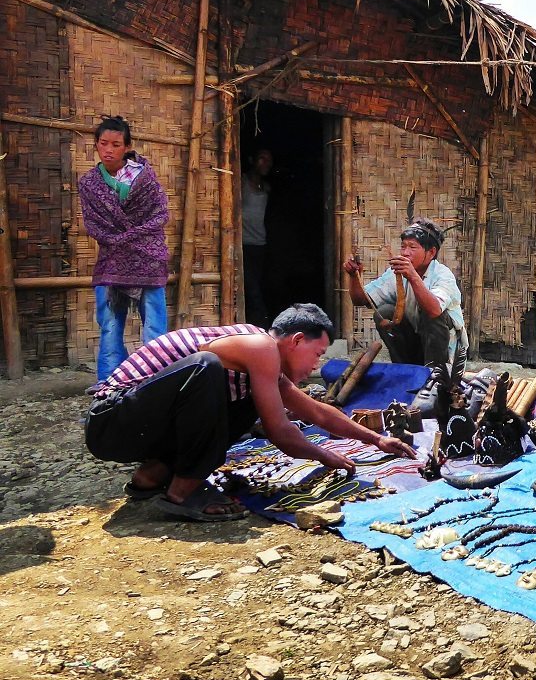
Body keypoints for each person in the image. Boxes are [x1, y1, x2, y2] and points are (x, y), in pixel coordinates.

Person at [84, 303, 416, 522]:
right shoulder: (259, 347)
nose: (317, 364)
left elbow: (318, 412)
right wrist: (324, 455)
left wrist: (377, 440)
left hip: (137, 425)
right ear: (296, 340)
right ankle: (182, 491)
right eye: (317, 353)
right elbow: (279, 431)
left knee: (242, 402)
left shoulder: (265, 364)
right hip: (112, 420)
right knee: (207, 369)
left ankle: (152, 478)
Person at [78, 116, 169, 381]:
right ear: (96, 145)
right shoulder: (89, 184)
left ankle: (156, 383)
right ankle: (109, 387)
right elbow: (94, 226)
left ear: (127, 146)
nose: (108, 149)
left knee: (154, 329)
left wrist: (126, 237)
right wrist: (123, 241)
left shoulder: (146, 179)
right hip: (112, 262)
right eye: (103, 143)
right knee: (109, 328)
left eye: (115, 144)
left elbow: (160, 215)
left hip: (148, 260)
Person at [344, 217, 468, 379]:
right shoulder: (397, 273)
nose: (405, 252)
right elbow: (361, 300)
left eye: (412, 247)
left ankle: (435, 378)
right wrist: (354, 276)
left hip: (446, 356)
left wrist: (412, 276)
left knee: (433, 314)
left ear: (431, 252)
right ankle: (404, 371)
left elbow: (434, 310)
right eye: (403, 247)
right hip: (415, 348)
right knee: (384, 312)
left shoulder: (443, 276)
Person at [241, 147, 274, 328]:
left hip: (259, 243)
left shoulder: (267, 188)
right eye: (262, 158)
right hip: (243, 244)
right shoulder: (242, 183)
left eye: (269, 160)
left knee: (257, 285)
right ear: (252, 159)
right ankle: (260, 324)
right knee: (251, 288)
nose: (266, 163)